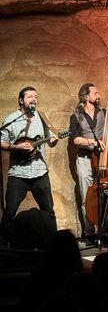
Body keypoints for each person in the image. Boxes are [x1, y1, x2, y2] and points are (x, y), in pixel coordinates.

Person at [69, 83, 108, 244]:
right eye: (95, 93)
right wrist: (93, 142)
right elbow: (76, 140)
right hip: (85, 160)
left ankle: (105, 231)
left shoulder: (104, 112)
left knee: (106, 197)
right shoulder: (76, 116)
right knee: (86, 198)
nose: (99, 95)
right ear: (86, 96)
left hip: (104, 162)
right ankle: (89, 233)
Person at [0, 86, 58, 242]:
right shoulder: (11, 119)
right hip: (18, 174)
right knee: (9, 212)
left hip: (40, 172)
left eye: (36, 96)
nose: (34, 99)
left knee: (48, 211)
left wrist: (53, 141)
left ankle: (53, 244)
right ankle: (5, 245)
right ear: (21, 100)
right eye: (30, 96)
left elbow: (51, 141)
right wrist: (15, 147)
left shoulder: (42, 117)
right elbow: (2, 142)